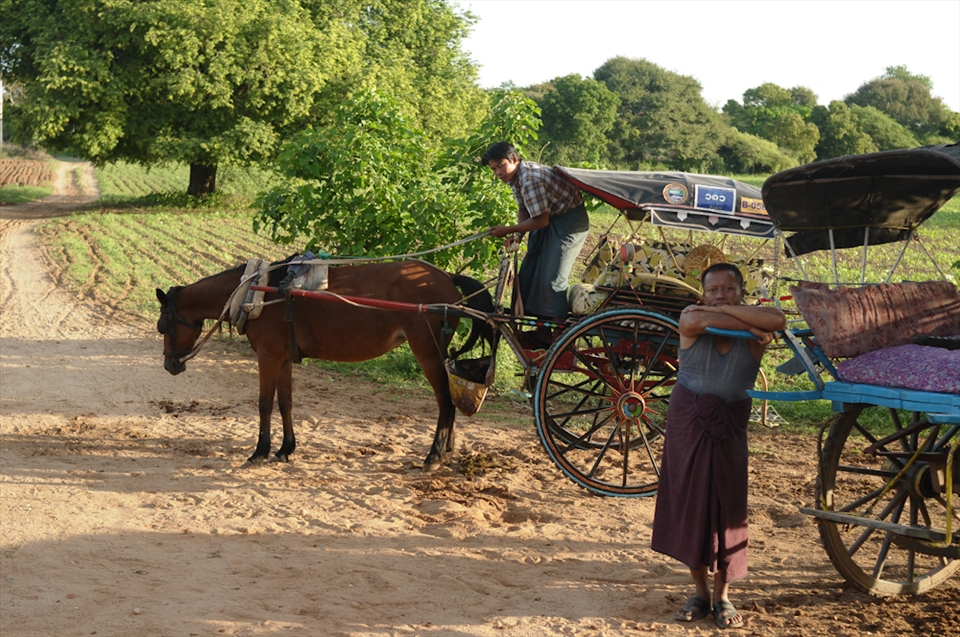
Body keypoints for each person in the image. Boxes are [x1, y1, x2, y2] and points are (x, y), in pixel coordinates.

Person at [651, 262, 786, 630]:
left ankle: (723, 595)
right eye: (713, 291)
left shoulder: (732, 316)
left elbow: (778, 319)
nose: (721, 295)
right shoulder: (690, 318)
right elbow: (760, 324)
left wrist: (733, 315)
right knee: (690, 504)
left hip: (730, 422)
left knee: (729, 506)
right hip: (689, 419)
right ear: (702, 295)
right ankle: (698, 592)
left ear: (743, 293)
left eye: (729, 290)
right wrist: (751, 324)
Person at [483, 141, 590, 345]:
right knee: (531, 272)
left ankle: (560, 339)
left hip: (569, 222)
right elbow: (524, 209)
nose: (497, 172)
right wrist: (519, 235)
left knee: (553, 279)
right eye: (493, 169)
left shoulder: (530, 179)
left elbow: (541, 220)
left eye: (501, 165)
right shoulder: (515, 178)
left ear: (514, 160)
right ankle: (542, 331)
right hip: (551, 217)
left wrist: (509, 230)